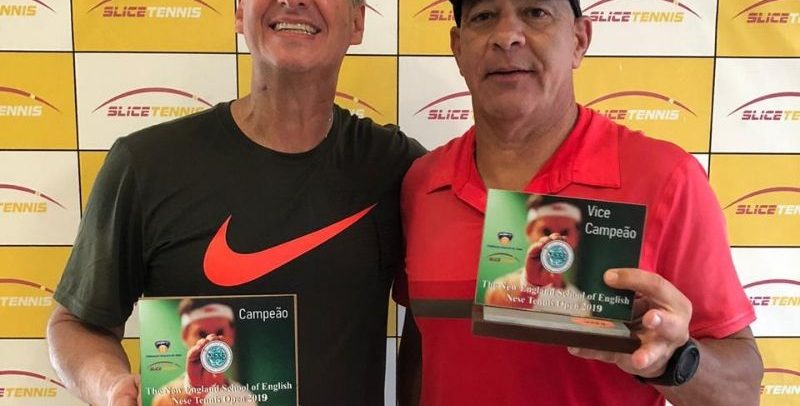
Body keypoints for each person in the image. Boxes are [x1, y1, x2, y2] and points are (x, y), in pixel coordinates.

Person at [46, 0, 425, 405]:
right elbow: (74, 324)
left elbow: (447, 318)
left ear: (358, 21)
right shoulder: (146, 164)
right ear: (240, 11)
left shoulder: (400, 170)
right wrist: (111, 387)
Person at [395, 0, 763, 404]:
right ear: (458, 47)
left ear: (579, 39)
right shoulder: (422, 184)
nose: (507, 36)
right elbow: (423, 345)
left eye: (535, 12)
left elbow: (741, 392)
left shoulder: (666, 178)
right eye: (484, 16)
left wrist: (673, 360)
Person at [484, 198, 590, 316]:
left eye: (565, 233)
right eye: (546, 232)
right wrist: (530, 285)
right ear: (529, 232)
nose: (555, 241)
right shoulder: (502, 289)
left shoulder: (581, 303)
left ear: (577, 238)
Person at [152, 299, 256, 406]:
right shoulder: (167, 397)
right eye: (201, 334)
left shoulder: (246, 398)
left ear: (232, 335)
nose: (212, 342)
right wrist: (195, 390)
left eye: (220, 332)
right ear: (185, 336)